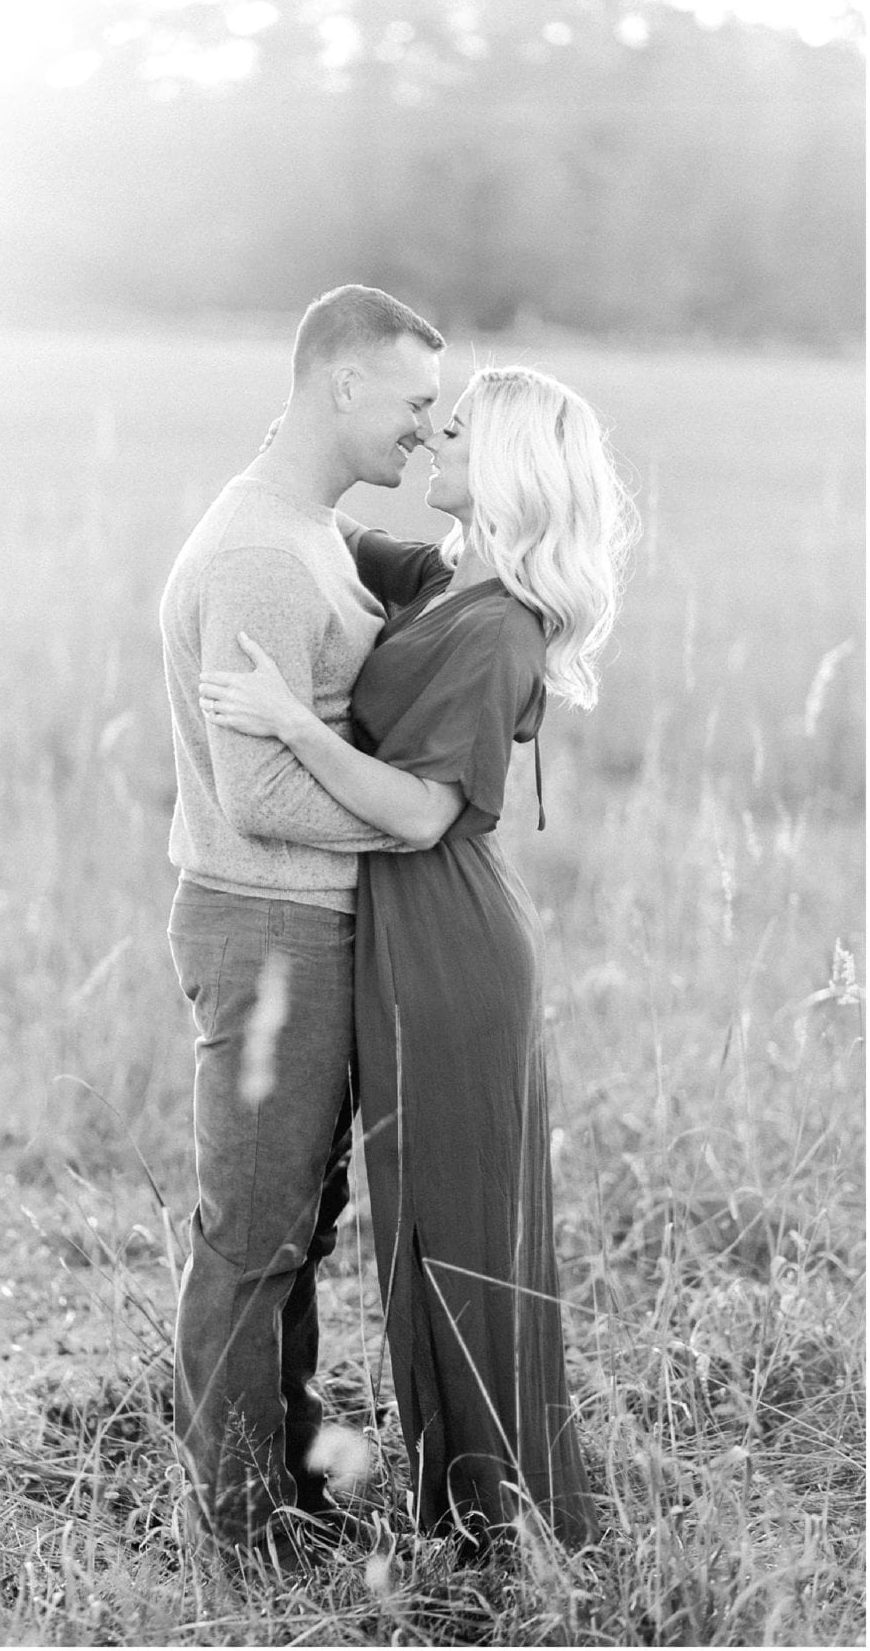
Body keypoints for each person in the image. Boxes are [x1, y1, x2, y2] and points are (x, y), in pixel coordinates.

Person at [200, 364, 637, 1551]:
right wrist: (294, 445)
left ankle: (495, 1517)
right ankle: (469, 1500)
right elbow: (330, 527)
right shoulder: (450, 579)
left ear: (497, 470)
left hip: (448, 947)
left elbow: (421, 817)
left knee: (456, 1234)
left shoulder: (498, 628)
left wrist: (293, 725)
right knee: (419, 1239)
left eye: (450, 432)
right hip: (410, 938)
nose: (430, 441)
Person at [158, 285, 445, 1562]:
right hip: (267, 927)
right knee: (254, 1231)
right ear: (340, 385)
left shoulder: (311, 528)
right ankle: (237, 1522)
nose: (428, 433)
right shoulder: (262, 556)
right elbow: (259, 795)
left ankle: (285, 1474)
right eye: (415, 403)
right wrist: (412, 823)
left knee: (294, 1222)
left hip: (302, 926)